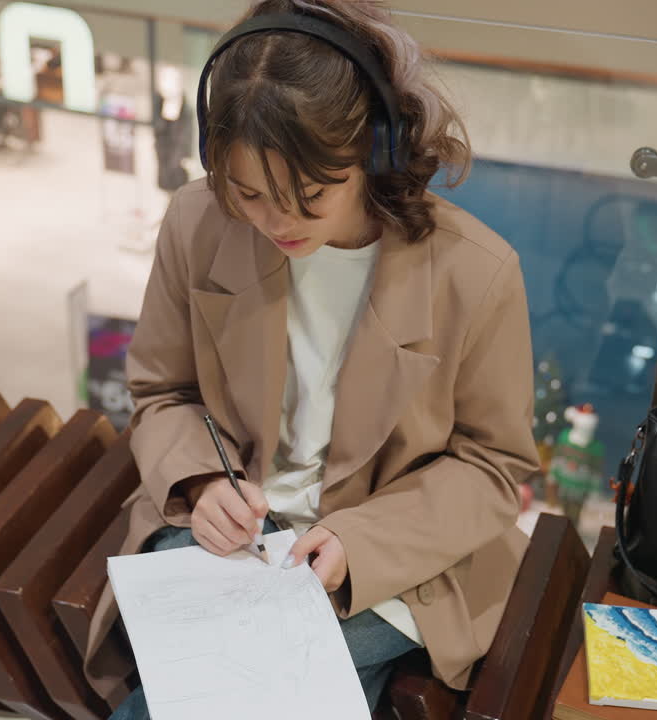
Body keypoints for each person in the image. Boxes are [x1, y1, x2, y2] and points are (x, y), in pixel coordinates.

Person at [82, 1, 540, 715]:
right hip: (229, 538)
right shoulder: (199, 222)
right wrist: (203, 486)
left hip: (391, 558)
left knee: (233, 685)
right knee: (254, 686)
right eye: (249, 193)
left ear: (375, 153)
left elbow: (492, 467)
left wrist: (359, 540)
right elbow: (163, 392)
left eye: (311, 195)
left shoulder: (474, 273)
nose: (277, 223)